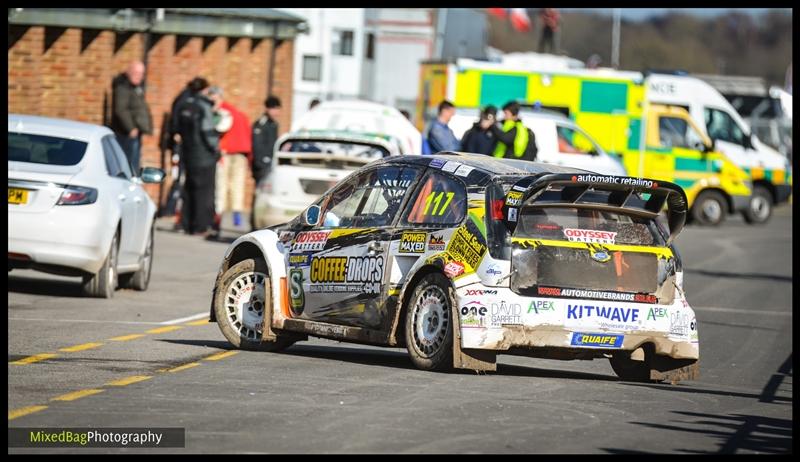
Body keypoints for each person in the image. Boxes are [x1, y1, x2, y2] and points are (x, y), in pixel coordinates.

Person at [174, 84, 220, 236]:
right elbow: (207, 131)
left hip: (189, 154)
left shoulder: (184, 104)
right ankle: (201, 226)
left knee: (189, 189)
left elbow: (177, 128)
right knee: (204, 193)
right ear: (204, 90)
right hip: (204, 156)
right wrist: (215, 148)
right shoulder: (203, 106)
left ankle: (186, 224)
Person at [207, 86, 252, 231]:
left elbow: (219, 129)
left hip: (226, 152)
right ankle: (237, 217)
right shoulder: (238, 113)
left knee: (221, 185)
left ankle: (218, 217)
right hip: (241, 153)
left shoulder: (221, 112)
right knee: (237, 185)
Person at [111, 60, 153, 173]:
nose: (140, 77)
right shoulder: (123, 87)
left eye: (141, 74)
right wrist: (131, 128)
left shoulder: (134, 87)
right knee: (128, 165)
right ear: (129, 72)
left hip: (134, 133)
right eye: (137, 73)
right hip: (125, 134)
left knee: (134, 163)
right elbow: (120, 109)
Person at [251, 95, 282, 230]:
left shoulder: (274, 124)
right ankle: (254, 223)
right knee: (259, 194)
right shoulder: (260, 124)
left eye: (277, 109)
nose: (276, 112)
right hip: (262, 166)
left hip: (271, 165)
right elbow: (257, 146)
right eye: (274, 109)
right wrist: (262, 163)